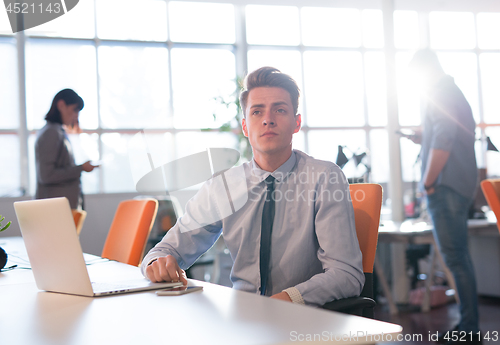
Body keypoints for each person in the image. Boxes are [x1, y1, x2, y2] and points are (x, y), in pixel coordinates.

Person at [141, 67, 364, 306]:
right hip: (242, 319)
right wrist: (157, 263)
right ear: (246, 127)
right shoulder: (222, 187)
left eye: (280, 109)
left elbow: (346, 275)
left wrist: (289, 299)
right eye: (257, 112)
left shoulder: (325, 178)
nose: (268, 119)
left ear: (296, 123)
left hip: (305, 318)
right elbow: (165, 251)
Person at [408, 50, 480, 344]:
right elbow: (443, 131)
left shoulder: (439, 91)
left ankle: (469, 328)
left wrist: (428, 182)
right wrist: (423, 135)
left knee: (456, 259)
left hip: (445, 185)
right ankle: (470, 325)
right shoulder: (451, 91)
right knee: (459, 257)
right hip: (457, 183)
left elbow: (445, 137)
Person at [35, 89, 97, 209]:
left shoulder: (57, 132)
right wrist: (81, 168)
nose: (76, 115)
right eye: (74, 109)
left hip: (60, 210)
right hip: (54, 211)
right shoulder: (51, 133)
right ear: (61, 105)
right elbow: (46, 175)